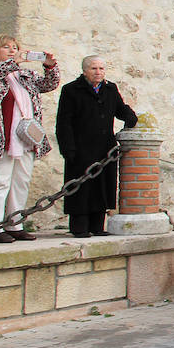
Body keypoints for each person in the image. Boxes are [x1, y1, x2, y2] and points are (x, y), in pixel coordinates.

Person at [0, 35, 60, 242]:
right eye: (6, 47)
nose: (12, 50)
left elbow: (49, 84)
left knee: (20, 181)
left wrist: (50, 67)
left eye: (15, 47)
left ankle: (15, 224)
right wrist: (13, 63)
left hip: (25, 138)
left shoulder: (25, 75)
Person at [55, 55, 138, 237]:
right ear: (85, 71)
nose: (98, 72)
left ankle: (97, 226)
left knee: (101, 186)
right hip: (80, 147)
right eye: (94, 69)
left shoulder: (110, 89)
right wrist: (68, 148)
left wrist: (130, 117)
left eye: (101, 69)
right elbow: (64, 122)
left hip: (104, 147)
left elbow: (119, 108)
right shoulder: (71, 90)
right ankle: (79, 227)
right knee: (81, 187)